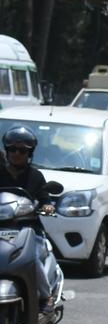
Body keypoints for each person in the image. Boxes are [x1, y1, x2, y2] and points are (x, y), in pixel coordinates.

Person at [0, 126, 60, 313]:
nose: (17, 154)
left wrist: (47, 206)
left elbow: (45, 198)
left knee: (31, 259)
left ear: (29, 153)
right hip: (2, 228)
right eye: (12, 150)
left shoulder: (35, 176)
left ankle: (46, 296)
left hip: (28, 230)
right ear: (6, 151)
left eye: (22, 151)